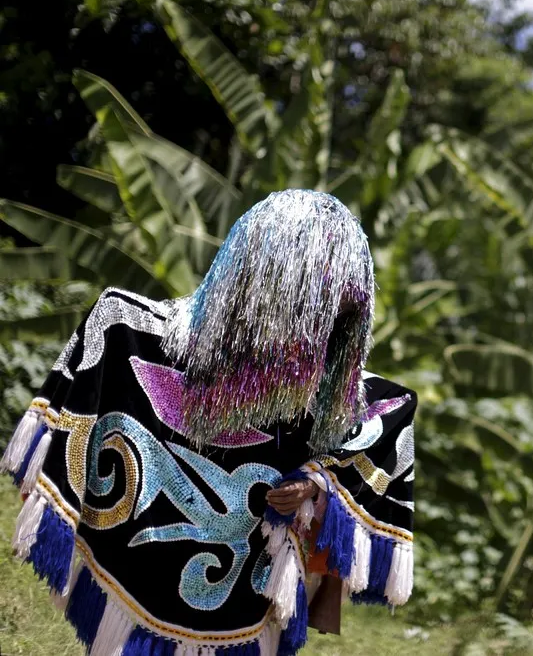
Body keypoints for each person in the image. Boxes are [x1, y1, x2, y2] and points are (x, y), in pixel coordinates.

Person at [1, 190, 416, 655]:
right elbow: (109, 335)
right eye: (316, 305)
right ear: (263, 279)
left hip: (247, 597)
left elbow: (390, 410)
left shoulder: (326, 388)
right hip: (139, 575)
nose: (326, 325)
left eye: (340, 314)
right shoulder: (134, 333)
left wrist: (317, 485)